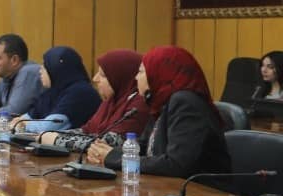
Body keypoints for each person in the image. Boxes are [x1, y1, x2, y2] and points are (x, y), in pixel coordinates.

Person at [86, 46, 230, 178]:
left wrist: (114, 159)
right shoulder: (161, 102)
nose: (136, 78)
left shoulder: (186, 103)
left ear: (159, 73)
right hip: (171, 188)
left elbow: (176, 165)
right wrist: (106, 152)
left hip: (204, 191)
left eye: (141, 72)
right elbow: (143, 147)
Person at [39, 49, 150, 152]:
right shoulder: (111, 101)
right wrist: (52, 134)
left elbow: (106, 144)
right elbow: (86, 131)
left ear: (120, 77)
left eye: (103, 75)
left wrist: (57, 140)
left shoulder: (139, 105)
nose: (95, 79)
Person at [11, 46, 100, 133]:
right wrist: (21, 122)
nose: (40, 71)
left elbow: (49, 127)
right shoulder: (52, 92)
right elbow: (25, 118)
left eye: (45, 65)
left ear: (56, 68)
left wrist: (23, 124)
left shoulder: (81, 92)